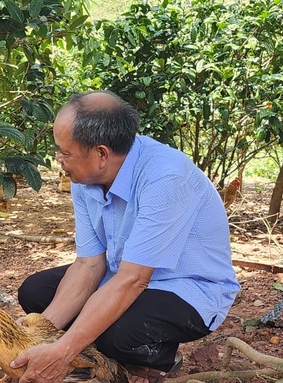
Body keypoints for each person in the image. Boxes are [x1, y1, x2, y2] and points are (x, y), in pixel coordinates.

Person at [12, 91, 240, 383]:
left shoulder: (165, 178)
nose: (59, 160)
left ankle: (157, 359)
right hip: (124, 275)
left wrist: (63, 351)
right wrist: (39, 333)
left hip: (187, 289)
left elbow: (134, 279)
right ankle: (92, 352)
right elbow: (88, 265)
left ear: (101, 154)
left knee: (115, 334)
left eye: (65, 153)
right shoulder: (85, 178)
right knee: (35, 292)